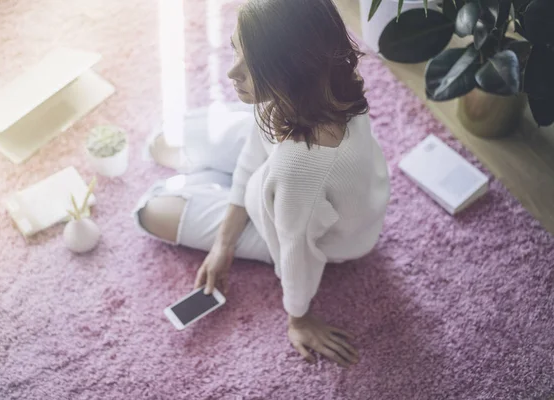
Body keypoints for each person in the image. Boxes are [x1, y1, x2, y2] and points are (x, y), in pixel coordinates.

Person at [133, 0, 390, 367]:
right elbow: (254, 153)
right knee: (159, 142)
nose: (231, 73)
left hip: (311, 227)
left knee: (149, 209)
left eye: (251, 65)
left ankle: (204, 181)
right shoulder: (319, 85)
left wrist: (297, 318)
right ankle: (206, 180)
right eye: (236, 50)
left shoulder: (299, 166)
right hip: (278, 183)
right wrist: (223, 242)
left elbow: (297, 251)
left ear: (292, 70)